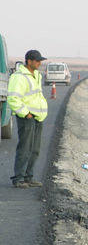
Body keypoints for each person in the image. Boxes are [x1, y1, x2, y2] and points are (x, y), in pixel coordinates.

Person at [7, 50, 48, 188]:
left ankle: (28, 177)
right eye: (37, 60)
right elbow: (13, 98)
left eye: (40, 60)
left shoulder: (36, 75)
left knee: (35, 149)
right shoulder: (19, 77)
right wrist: (25, 113)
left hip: (38, 117)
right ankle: (19, 178)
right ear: (29, 61)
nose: (39, 63)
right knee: (25, 148)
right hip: (27, 117)